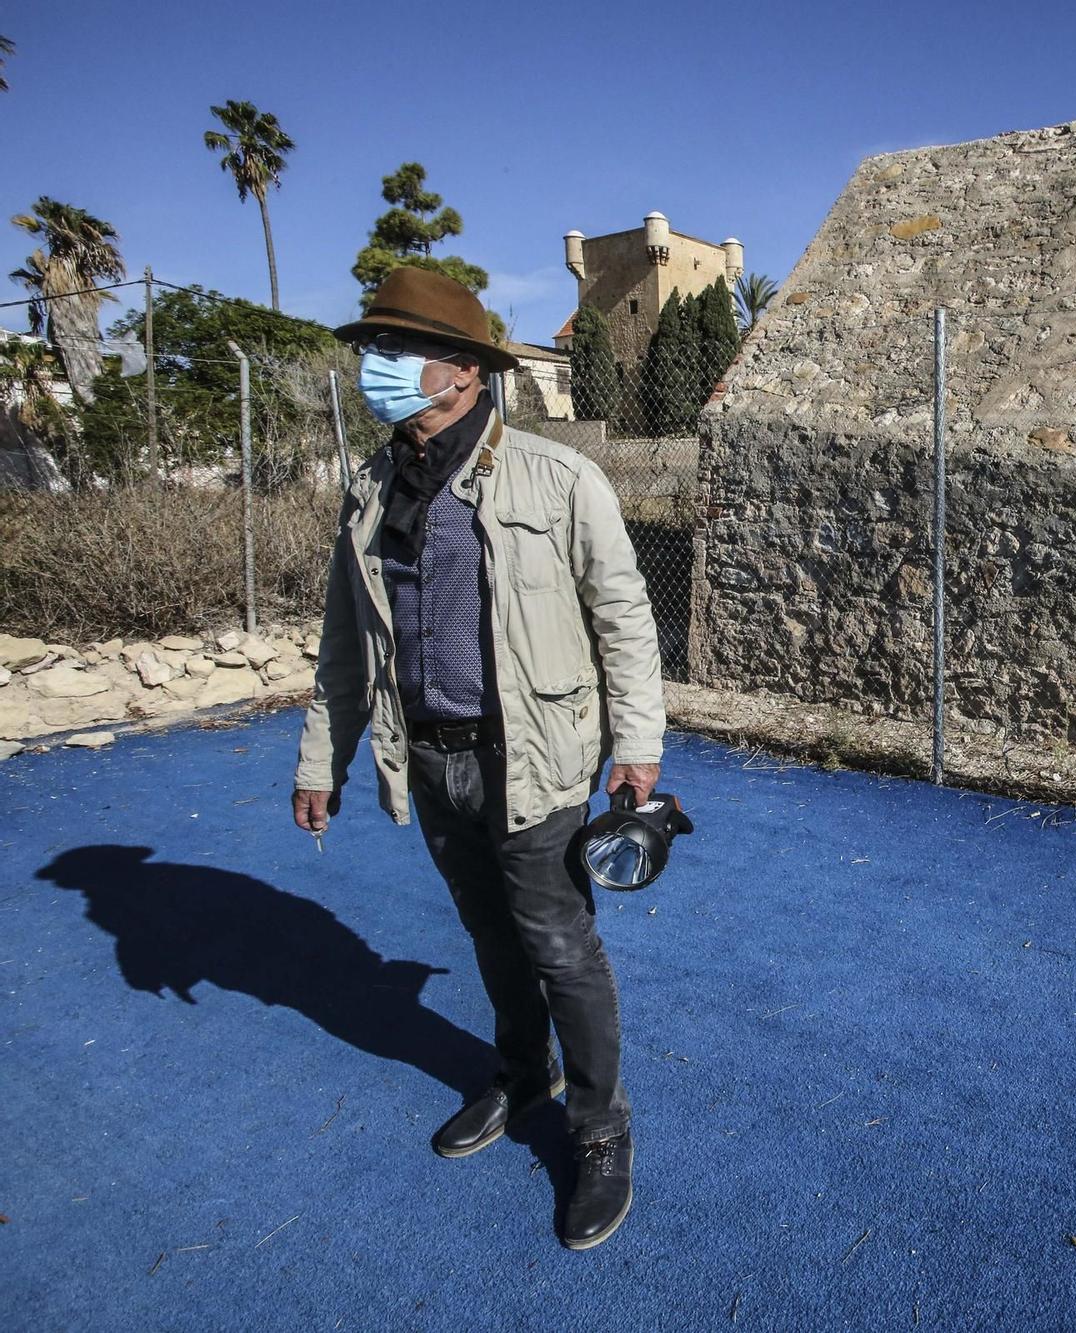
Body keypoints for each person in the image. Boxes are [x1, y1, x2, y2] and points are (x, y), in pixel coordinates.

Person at [292, 266, 664, 1250]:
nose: (377, 368)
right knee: (491, 940)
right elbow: (344, 636)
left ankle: (598, 1126)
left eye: (395, 351)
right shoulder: (370, 486)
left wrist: (637, 741)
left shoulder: (557, 477)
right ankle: (519, 1069)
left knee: (557, 944)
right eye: (372, 350)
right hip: (429, 758)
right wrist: (319, 759)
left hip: (533, 757)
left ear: (461, 368)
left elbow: (622, 615)